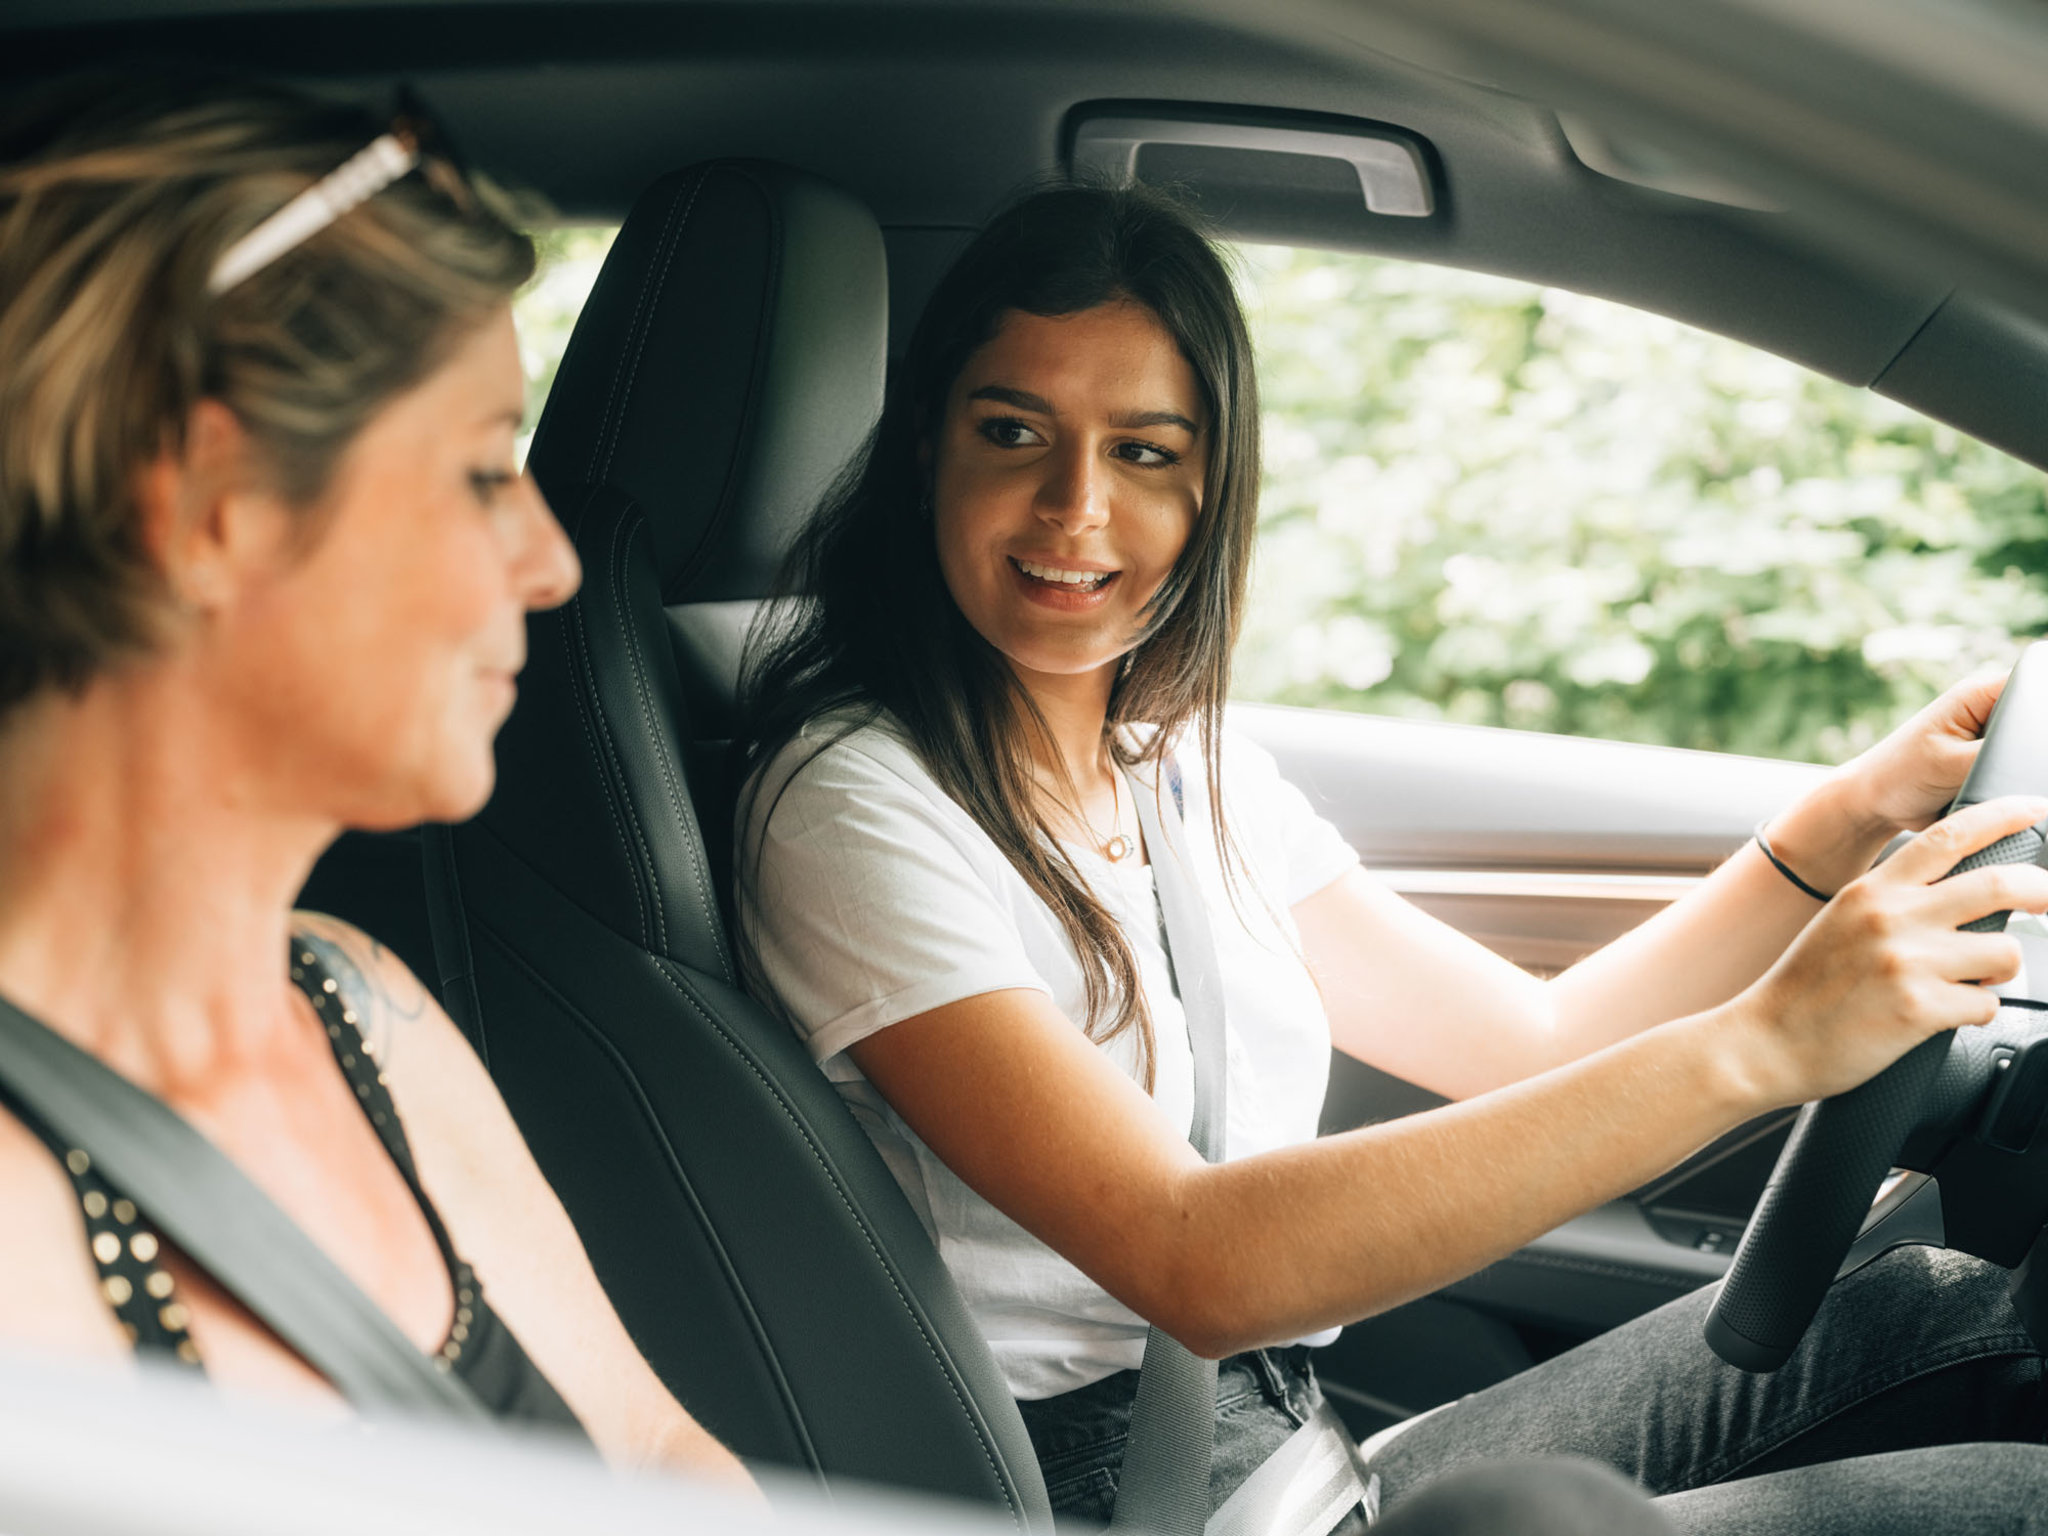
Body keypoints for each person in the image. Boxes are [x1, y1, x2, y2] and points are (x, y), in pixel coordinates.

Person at [734, 180, 2048, 1529]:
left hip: (1287, 1451)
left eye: (1142, 451)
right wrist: (1768, 1043)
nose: (1075, 505)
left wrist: (1855, 813)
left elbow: (1535, 1039)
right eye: (1013, 432)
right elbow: (1200, 1262)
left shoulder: (1181, 762)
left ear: (1210, 485)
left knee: (1925, 1316)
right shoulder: (854, 805)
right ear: (924, 456)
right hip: (1124, 1498)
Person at [0, 73, 751, 1488]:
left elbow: (658, 1453)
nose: (552, 563)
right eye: (481, 470)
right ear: (209, 510)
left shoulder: (363, 1009)